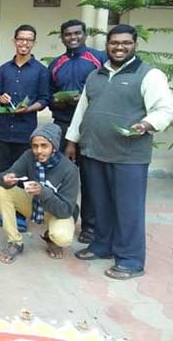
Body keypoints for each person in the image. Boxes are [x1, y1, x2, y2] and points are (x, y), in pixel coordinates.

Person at [66, 24, 173, 280]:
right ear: (107, 45)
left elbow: (164, 110)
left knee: (128, 209)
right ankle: (102, 246)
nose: (119, 47)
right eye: (114, 43)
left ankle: (130, 260)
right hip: (94, 151)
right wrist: (72, 141)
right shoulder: (96, 75)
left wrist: (146, 124)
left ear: (135, 44)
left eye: (126, 43)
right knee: (100, 204)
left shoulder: (149, 75)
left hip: (128, 156)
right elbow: (82, 111)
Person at [48, 19, 106, 244]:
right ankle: (65, 218)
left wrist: (83, 99)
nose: (73, 37)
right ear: (62, 37)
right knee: (63, 176)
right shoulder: (56, 63)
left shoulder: (98, 59)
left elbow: (106, 90)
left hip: (90, 127)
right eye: (68, 34)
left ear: (84, 34)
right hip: (63, 125)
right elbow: (48, 96)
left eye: (77, 33)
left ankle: (90, 226)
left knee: (90, 178)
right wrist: (58, 101)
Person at [0, 24, 50, 232]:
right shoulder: (4, 69)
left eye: (28, 39)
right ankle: (5, 210)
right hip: (4, 130)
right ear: (14, 41)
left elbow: (44, 99)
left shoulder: (41, 71)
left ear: (33, 43)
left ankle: (21, 214)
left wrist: (29, 108)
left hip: (26, 132)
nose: (24, 43)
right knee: (4, 172)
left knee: (24, 173)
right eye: (20, 39)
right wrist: (0, 98)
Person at [0, 123, 79, 264]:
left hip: (59, 211)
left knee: (62, 237)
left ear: (54, 147)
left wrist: (43, 192)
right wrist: (6, 179)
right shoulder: (29, 156)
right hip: (35, 204)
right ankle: (15, 242)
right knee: (2, 190)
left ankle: (51, 238)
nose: (38, 151)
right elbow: (7, 175)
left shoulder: (69, 169)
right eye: (35, 146)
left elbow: (65, 210)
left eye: (44, 146)